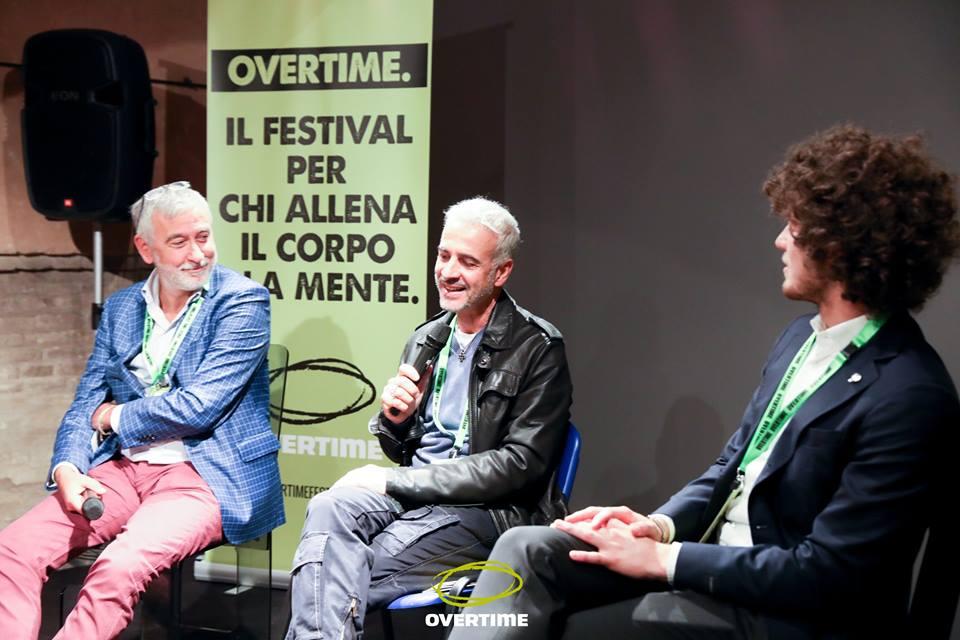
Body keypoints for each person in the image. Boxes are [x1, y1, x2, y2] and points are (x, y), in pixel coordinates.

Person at [451, 125, 960, 639]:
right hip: (714, 569)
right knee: (525, 550)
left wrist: (665, 559)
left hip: (789, 614)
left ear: (844, 241)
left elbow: (831, 574)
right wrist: (658, 526)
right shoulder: (796, 340)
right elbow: (730, 469)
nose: (780, 239)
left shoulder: (909, 393)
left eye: (795, 225)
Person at [0, 181, 285, 639]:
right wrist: (68, 467)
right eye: (179, 242)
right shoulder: (122, 308)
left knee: (117, 567)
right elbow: (85, 401)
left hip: (204, 475)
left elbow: (200, 407)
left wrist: (113, 418)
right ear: (145, 248)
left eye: (204, 237)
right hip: (124, 469)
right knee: (13, 549)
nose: (198, 254)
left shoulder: (242, 301)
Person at [285, 197, 573, 639]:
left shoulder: (537, 347)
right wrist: (396, 420)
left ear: (501, 272)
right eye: (443, 255)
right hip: (417, 494)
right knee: (329, 510)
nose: (448, 271)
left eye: (468, 261)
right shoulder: (428, 338)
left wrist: (392, 481)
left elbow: (519, 466)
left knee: (327, 566)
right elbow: (403, 450)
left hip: (487, 511)